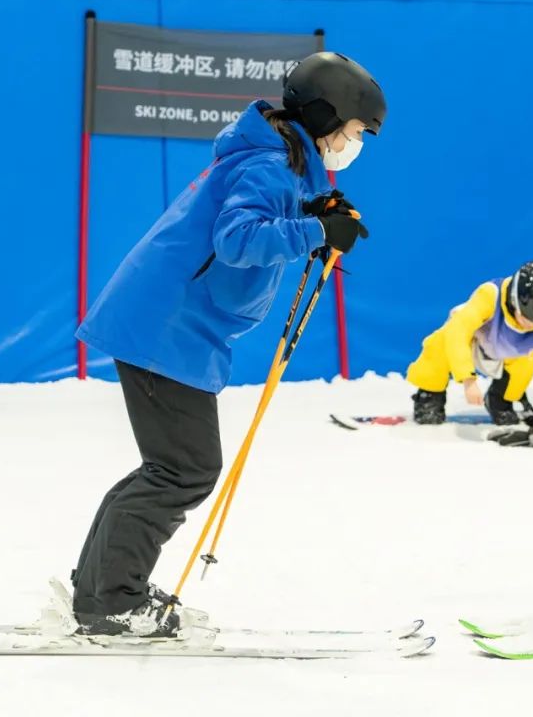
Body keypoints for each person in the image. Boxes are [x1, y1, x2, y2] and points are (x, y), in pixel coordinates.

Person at [70, 52, 386, 638]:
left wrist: (312, 209)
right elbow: (239, 238)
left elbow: (257, 220)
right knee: (183, 470)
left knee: (170, 467)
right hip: (166, 327)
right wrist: (316, 229)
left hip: (167, 324)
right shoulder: (269, 164)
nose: (355, 143)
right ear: (324, 118)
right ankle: (111, 599)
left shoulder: (278, 161)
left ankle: (100, 588)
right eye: (355, 131)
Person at [405, 261, 533, 443]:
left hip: (509, 354)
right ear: (516, 300)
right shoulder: (490, 295)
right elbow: (459, 332)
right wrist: (468, 380)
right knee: (441, 341)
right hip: (475, 345)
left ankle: (501, 399)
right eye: (527, 318)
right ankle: (430, 394)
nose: (531, 325)